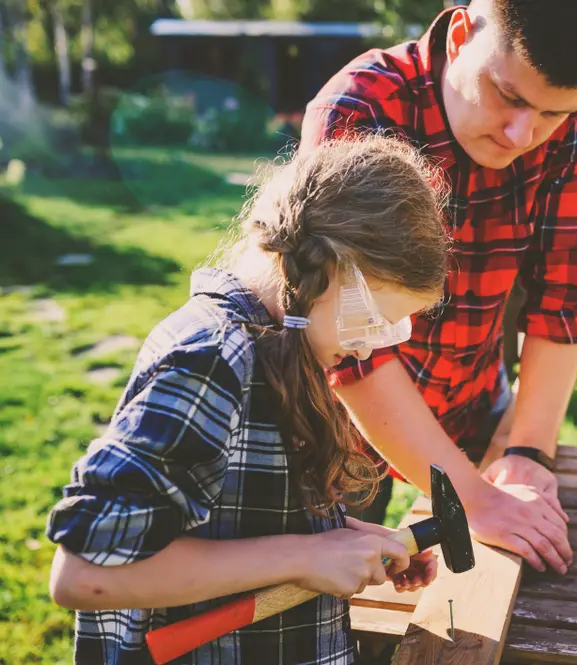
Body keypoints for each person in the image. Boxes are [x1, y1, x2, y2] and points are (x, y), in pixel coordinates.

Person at [44, 134, 451, 664]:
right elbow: (85, 573)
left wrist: (347, 540)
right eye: (372, 319)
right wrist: (304, 555)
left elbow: (233, 517)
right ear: (326, 270)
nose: (367, 345)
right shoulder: (213, 358)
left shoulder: (279, 347)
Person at [300, 0, 577, 575]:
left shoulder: (575, 105)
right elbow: (351, 345)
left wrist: (526, 451)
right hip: (340, 423)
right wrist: (473, 499)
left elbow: (564, 296)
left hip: (472, 393)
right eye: (509, 96)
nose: (524, 133)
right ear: (460, 38)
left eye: (551, 114)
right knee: (336, 612)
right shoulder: (360, 112)